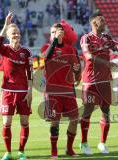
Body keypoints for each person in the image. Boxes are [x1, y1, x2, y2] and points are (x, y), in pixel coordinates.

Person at [80, 13, 118, 155]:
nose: (105, 22)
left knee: (106, 112)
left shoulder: (106, 37)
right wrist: (106, 62)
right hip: (90, 81)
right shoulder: (86, 38)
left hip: (105, 80)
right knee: (87, 111)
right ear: (94, 23)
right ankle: (84, 143)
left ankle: (102, 143)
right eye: (102, 20)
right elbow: (88, 56)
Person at [41, 23, 81, 158]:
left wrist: (77, 74)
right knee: (55, 121)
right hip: (52, 92)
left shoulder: (70, 49)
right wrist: (54, 43)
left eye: (56, 32)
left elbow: (75, 67)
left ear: (63, 34)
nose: (54, 34)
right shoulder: (46, 47)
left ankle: (69, 149)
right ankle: (54, 150)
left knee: (75, 119)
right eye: (52, 32)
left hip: (68, 90)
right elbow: (45, 57)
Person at [0, 12, 33, 160]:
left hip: (23, 91)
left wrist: (30, 91)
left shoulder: (26, 52)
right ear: (8, 35)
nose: (16, 35)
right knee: (7, 122)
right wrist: (6, 25)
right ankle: (8, 152)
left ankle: (21, 151)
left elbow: (30, 73)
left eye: (17, 33)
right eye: (13, 33)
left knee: (24, 122)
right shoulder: (4, 49)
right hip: (8, 91)